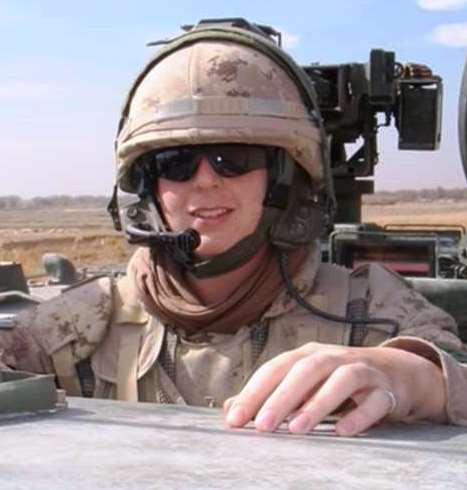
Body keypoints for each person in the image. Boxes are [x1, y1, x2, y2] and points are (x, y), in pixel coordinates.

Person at [1, 22, 466, 437]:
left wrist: (409, 375)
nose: (205, 181)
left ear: (284, 177)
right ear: (147, 185)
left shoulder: (369, 308)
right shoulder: (79, 322)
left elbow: (453, 372)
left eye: (234, 158)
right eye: (176, 162)